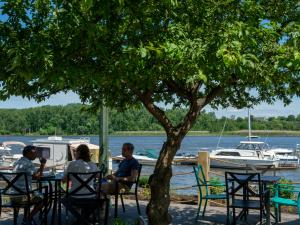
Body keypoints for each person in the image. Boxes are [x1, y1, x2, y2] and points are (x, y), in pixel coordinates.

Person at [12, 145, 47, 225]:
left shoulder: (17, 162)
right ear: (28, 153)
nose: (36, 155)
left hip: (13, 195)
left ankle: (24, 218)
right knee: (43, 199)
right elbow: (38, 178)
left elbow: (31, 174)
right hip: (24, 196)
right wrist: (42, 165)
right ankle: (28, 218)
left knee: (32, 192)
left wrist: (38, 171)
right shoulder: (29, 164)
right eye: (35, 153)